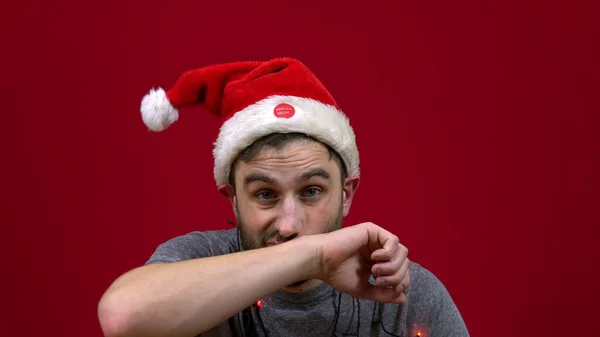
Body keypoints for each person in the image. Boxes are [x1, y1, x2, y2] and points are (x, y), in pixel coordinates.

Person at [97, 57, 470, 337]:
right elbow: (121, 317)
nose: (289, 225)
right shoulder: (197, 261)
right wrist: (315, 256)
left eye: (311, 192)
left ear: (346, 193)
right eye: (265, 194)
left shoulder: (402, 293)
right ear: (233, 199)